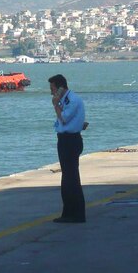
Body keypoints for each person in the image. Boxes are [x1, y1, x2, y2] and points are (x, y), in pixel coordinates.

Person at [49, 74, 87, 223]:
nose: (51, 92)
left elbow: (64, 118)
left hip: (70, 141)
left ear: (60, 88)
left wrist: (55, 104)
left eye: (53, 89)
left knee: (71, 178)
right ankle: (68, 212)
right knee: (67, 178)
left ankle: (76, 214)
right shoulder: (66, 99)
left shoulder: (72, 100)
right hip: (65, 140)